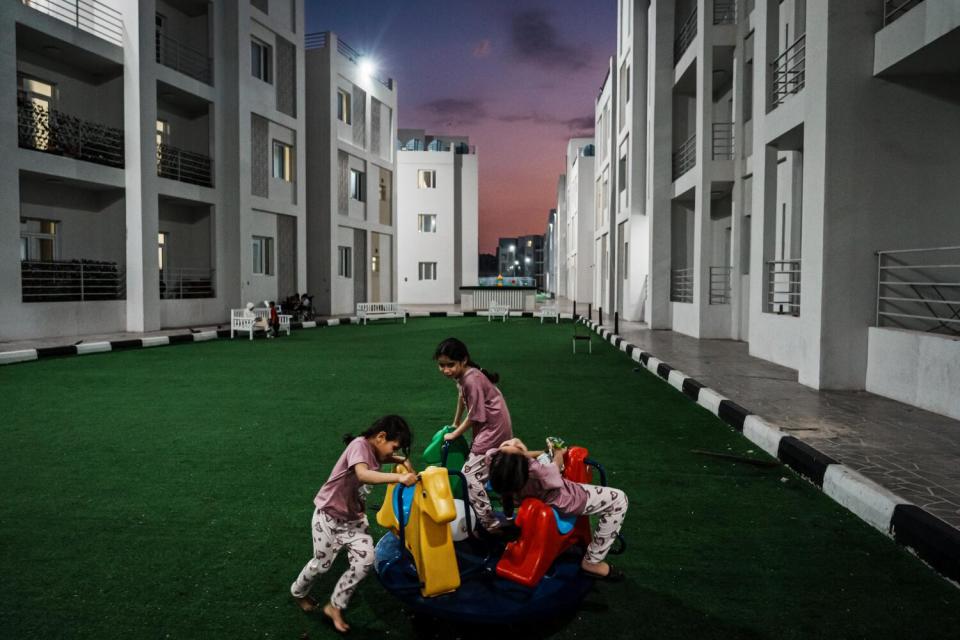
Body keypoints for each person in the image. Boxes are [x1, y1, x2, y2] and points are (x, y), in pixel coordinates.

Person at [290, 415, 417, 633]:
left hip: (353, 519)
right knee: (322, 565)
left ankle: (335, 606)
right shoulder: (359, 445)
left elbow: (379, 461)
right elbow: (363, 473)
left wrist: (400, 461)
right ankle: (298, 592)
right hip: (328, 516)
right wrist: (399, 478)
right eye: (393, 447)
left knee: (365, 560)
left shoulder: (374, 450)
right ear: (380, 436)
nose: (392, 452)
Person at [487, 437, 628, 582]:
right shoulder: (539, 471)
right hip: (565, 502)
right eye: (518, 448)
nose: (514, 440)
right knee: (619, 500)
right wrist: (558, 452)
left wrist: (530, 454)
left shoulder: (497, 465)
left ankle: (510, 516)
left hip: (530, 501)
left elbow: (504, 457)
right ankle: (592, 562)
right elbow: (557, 467)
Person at [434, 337, 513, 532]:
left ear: (463, 360)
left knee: (469, 475)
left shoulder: (472, 379)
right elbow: (462, 398)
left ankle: (489, 522)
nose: (445, 370)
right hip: (493, 424)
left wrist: (455, 433)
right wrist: (454, 422)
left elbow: (476, 416)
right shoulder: (463, 377)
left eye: (450, 365)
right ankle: (509, 510)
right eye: (441, 366)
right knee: (496, 466)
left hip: (493, 428)